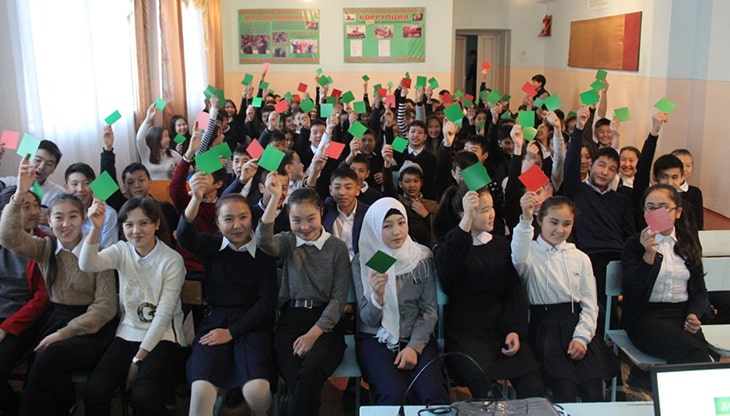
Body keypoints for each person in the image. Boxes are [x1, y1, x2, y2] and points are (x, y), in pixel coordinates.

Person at [0, 155, 117, 415]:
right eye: (58, 218)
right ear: (48, 221)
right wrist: (20, 192)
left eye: (73, 217)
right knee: (42, 366)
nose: (65, 224)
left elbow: (105, 308)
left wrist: (64, 333)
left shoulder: (101, 251)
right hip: (55, 318)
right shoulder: (45, 248)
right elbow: (8, 237)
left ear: (83, 218)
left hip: (91, 327)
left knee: (49, 357)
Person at [433, 185, 544, 399]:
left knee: (534, 387)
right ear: (463, 213)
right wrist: (465, 223)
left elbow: (514, 292)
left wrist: (514, 330)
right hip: (466, 335)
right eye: (483, 210)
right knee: (486, 397)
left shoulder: (501, 245)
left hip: (500, 330)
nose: (491, 214)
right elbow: (448, 277)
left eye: (491, 208)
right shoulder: (446, 245)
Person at [79, 198, 186, 415]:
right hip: (127, 332)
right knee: (97, 388)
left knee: (144, 395)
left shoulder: (172, 260)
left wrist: (137, 360)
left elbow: (164, 315)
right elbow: (87, 264)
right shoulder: (121, 250)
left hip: (164, 336)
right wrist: (95, 229)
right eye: (129, 224)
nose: (136, 230)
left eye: (144, 223)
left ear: (156, 224)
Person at [177, 187, 277, 416]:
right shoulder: (212, 247)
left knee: (256, 390)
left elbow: (266, 303)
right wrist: (195, 199)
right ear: (218, 223)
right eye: (228, 219)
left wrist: (233, 331)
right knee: (201, 389)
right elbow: (184, 236)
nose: (237, 225)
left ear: (252, 218)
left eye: (243, 217)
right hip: (215, 323)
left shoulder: (264, 252)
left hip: (253, 326)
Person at [255, 177, 350, 416]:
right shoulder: (288, 240)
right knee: (299, 378)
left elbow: (338, 301)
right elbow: (263, 241)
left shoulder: (337, 247)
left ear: (321, 213)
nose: (305, 227)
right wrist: (275, 198)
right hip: (291, 320)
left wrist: (312, 334)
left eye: (311, 218)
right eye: (296, 220)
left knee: (309, 374)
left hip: (327, 325)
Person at [512, 194, 618, 402]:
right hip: (545, 328)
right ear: (540, 220)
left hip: (577, 325)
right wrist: (525, 219)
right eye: (553, 222)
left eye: (567, 224)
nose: (560, 230)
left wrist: (581, 337)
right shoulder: (529, 253)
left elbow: (589, 304)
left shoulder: (580, 258)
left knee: (593, 390)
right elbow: (518, 258)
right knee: (565, 390)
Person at [353, 197, 450, 405]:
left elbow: (429, 310)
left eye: (401, 222)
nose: (396, 231)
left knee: (433, 395)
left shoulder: (421, 257)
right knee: (394, 396)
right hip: (376, 338)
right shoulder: (365, 260)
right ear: (374, 228)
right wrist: (377, 297)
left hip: (417, 336)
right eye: (387, 226)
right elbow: (368, 319)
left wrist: (414, 347)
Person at [621, 184, 714, 364]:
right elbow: (631, 291)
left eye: (663, 208)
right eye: (651, 208)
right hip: (646, 317)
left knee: (703, 355)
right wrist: (648, 255)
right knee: (697, 356)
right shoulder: (634, 244)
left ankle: (646, 383)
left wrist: (694, 314)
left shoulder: (688, 243)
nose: (656, 213)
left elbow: (700, 290)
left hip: (682, 316)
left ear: (677, 212)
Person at [0, 187, 50, 414]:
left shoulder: (44, 243)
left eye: (35, 206)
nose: (32, 212)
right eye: (24, 207)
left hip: (22, 321)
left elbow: (42, 298)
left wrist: (5, 328)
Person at [65, 163, 119, 248]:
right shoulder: (62, 214)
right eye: (75, 184)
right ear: (66, 187)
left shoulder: (108, 214)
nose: (80, 189)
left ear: (94, 186)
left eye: (86, 183)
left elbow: (109, 250)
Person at [0, 140, 65, 206]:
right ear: (27, 160)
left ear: (54, 169)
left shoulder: (58, 193)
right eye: (38, 160)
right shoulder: (7, 183)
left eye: (49, 164)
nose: (41, 167)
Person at [136, 103, 182, 180]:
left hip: (168, 188)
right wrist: (147, 120)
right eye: (165, 136)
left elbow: (188, 167)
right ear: (157, 138)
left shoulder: (172, 153)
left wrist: (177, 171)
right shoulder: (146, 153)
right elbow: (139, 139)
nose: (169, 139)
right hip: (151, 189)